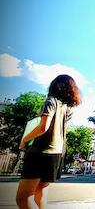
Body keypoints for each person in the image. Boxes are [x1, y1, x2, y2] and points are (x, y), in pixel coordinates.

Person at [16, 75, 81, 209]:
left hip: (40, 152)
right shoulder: (69, 107)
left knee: (23, 198)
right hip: (57, 153)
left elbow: (43, 127)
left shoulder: (51, 101)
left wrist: (25, 140)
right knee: (41, 196)